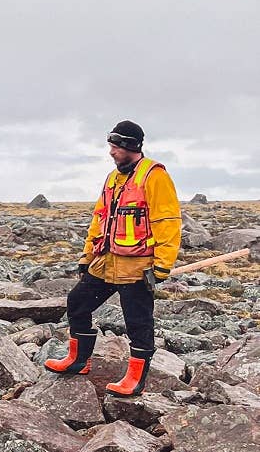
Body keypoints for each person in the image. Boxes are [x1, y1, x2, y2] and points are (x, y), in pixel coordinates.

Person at [44, 120, 182, 396]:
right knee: (77, 303)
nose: (111, 152)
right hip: (105, 262)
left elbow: (168, 222)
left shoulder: (154, 176)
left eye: (116, 146)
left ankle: (135, 379)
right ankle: (78, 360)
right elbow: (99, 219)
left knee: (138, 322)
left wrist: (162, 267)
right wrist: (87, 256)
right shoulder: (112, 179)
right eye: (111, 145)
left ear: (131, 146)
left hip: (137, 266)